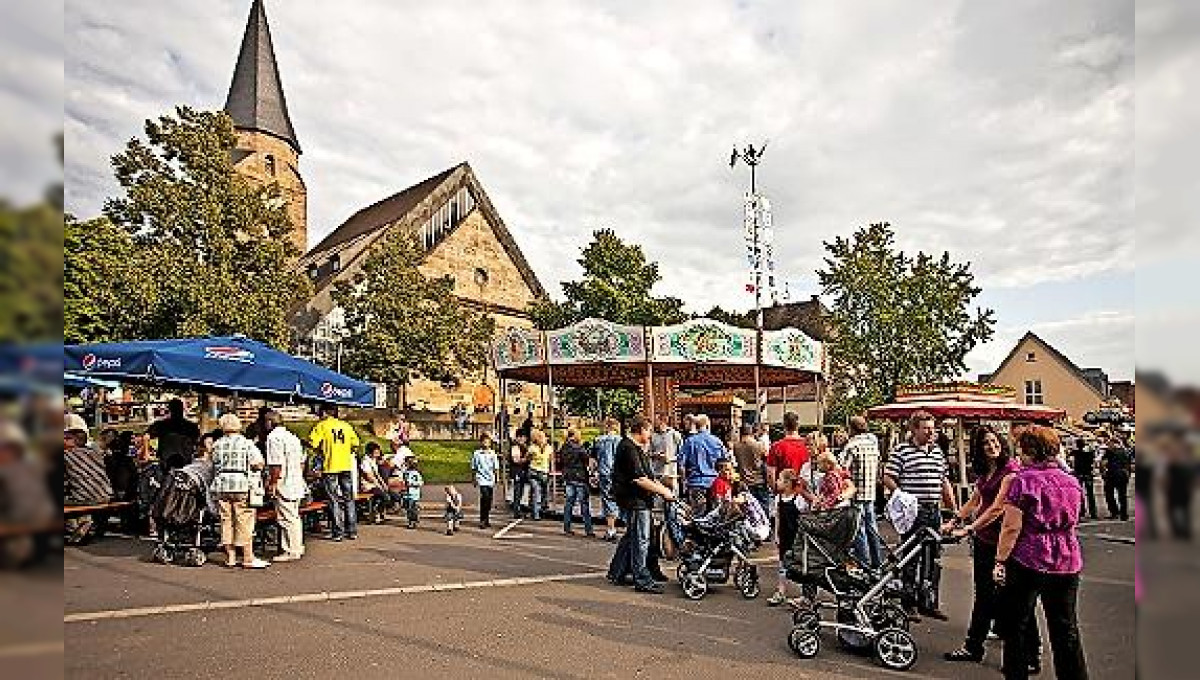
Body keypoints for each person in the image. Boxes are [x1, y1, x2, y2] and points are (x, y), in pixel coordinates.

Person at [995, 426, 1088, 680]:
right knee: (1065, 628)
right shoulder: (1071, 482)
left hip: (1030, 557)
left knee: (1017, 625)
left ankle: (1017, 674)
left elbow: (1011, 526)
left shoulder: (1023, 481)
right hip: (1067, 558)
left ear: (1029, 451)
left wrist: (1000, 560)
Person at [942, 425, 1037, 665]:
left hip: (1005, 543)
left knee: (1017, 600)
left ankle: (1031, 653)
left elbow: (998, 507)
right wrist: (955, 520)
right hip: (985, 541)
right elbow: (975, 500)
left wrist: (969, 528)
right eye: (986, 443)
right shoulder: (985, 471)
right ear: (979, 449)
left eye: (994, 442)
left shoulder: (1010, 471)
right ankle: (974, 646)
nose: (991, 446)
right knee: (984, 595)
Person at [883, 410, 959, 620]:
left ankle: (929, 601)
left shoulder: (937, 452)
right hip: (913, 510)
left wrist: (954, 508)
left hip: (933, 509)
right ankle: (909, 603)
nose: (930, 433)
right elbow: (888, 477)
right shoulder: (901, 451)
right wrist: (901, 496)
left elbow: (944, 482)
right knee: (911, 556)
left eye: (932, 429)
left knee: (933, 557)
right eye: (925, 429)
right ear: (914, 429)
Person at [606, 415, 676, 594]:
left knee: (633, 536)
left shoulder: (636, 448)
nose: (651, 434)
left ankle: (618, 572)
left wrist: (661, 487)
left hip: (640, 500)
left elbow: (648, 477)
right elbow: (639, 479)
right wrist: (664, 492)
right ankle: (642, 578)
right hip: (635, 500)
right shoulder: (629, 448)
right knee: (641, 540)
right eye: (649, 430)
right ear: (642, 430)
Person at [209, 413, 269, 569]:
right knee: (244, 520)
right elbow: (258, 463)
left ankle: (230, 557)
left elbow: (212, 464)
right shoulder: (246, 443)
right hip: (241, 484)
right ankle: (248, 557)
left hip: (221, 485)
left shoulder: (217, 444)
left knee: (226, 520)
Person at [307, 404, 361, 541]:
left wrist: (321, 449)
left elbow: (312, 443)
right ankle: (352, 530)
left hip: (330, 466)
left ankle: (338, 531)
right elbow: (355, 444)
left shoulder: (322, 426)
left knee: (334, 499)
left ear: (325, 412)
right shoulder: (346, 426)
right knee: (348, 499)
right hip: (345, 465)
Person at [63, 413, 115, 544]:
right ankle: (83, 525)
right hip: (106, 496)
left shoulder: (65, 456)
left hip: (85, 498)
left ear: (72, 440)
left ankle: (74, 528)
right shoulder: (95, 453)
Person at [264, 409, 307, 562]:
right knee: (294, 516)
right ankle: (296, 546)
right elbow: (302, 461)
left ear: (270, 422)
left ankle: (291, 550)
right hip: (296, 480)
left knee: (286, 518)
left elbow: (276, 464)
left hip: (285, 482)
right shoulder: (292, 437)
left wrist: (273, 482)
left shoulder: (273, 438)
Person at [841, 416, 882, 568]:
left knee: (859, 531)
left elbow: (843, 470)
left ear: (851, 428)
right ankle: (877, 563)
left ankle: (864, 565)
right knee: (872, 530)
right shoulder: (873, 445)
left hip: (855, 494)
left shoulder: (852, 446)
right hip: (870, 493)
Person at [767, 469, 803, 606]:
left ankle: (805, 594)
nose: (777, 482)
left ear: (787, 483)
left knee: (799, 563)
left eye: (780, 479)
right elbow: (777, 517)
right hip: (784, 536)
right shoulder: (778, 499)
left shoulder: (798, 499)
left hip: (796, 536)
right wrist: (776, 534)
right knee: (782, 563)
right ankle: (781, 590)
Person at [677, 414, 726, 515]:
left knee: (697, 516)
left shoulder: (690, 442)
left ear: (696, 426)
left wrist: (684, 482)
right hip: (715, 483)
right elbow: (726, 462)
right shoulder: (717, 442)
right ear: (708, 425)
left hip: (696, 484)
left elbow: (681, 464)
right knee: (715, 516)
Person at [146, 398, 200, 472]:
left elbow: (146, 437)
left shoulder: (162, 425)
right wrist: (147, 454)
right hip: (181, 465)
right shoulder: (191, 426)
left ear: (169, 409)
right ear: (182, 409)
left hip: (174, 464)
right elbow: (196, 443)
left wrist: (147, 453)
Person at [560, 429, 595, 537]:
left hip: (568, 477)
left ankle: (567, 528)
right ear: (575, 436)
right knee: (584, 504)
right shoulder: (579, 448)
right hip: (580, 478)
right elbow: (587, 461)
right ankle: (588, 530)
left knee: (569, 503)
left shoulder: (563, 447)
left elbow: (561, 461)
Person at [593, 419, 623, 541]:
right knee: (618, 500)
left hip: (604, 473)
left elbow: (593, 460)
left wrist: (593, 474)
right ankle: (614, 529)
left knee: (607, 500)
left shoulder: (598, 440)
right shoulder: (620, 441)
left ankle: (610, 529)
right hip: (617, 474)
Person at [766, 411, 810, 494]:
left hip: (784, 492)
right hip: (804, 492)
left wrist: (775, 490)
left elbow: (770, 474)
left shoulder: (776, 447)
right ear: (798, 425)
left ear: (784, 426)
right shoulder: (808, 446)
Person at [732, 424, 770, 514]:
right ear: (751, 432)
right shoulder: (758, 445)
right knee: (763, 507)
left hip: (745, 481)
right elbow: (766, 458)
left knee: (749, 508)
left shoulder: (736, 446)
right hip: (759, 480)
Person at [470, 434, 500, 529]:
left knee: (489, 500)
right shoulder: (477, 454)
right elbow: (474, 467)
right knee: (484, 497)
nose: (486, 443)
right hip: (481, 479)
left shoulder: (492, 454)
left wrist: (497, 477)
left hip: (490, 479)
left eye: (487, 442)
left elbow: (496, 467)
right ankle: (482, 519)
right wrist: (474, 479)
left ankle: (486, 518)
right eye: (484, 441)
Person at [1100, 437, 1131, 521]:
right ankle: (1124, 515)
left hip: (1112, 475)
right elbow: (1129, 464)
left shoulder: (1109, 452)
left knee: (1109, 494)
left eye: (1109, 443)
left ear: (1114, 443)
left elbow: (1103, 463)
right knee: (1122, 495)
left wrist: (1103, 473)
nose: (1108, 445)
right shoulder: (1125, 451)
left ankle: (1114, 512)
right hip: (1123, 474)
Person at [649, 413, 682, 493]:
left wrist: (670, 459)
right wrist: (656, 455)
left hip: (671, 474)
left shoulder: (675, 435)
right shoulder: (652, 436)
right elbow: (648, 453)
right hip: (657, 474)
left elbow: (682, 454)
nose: (654, 422)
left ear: (662, 421)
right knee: (657, 502)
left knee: (673, 501)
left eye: (656, 420)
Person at [359, 442, 389, 523]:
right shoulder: (365, 461)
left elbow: (377, 474)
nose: (378, 454)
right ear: (370, 452)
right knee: (383, 496)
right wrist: (379, 486)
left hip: (374, 484)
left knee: (390, 494)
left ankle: (379, 512)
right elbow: (370, 477)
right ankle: (376, 512)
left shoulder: (373, 460)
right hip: (367, 486)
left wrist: (383, 484)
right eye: (376, 452)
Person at [526, 429, 552, 521]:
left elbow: (527, 458)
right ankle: (537, 513)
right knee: (538, 492)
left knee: (539, 493)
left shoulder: (533, 448)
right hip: (539, 472)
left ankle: (538, 511)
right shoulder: (547, 448)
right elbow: (550, 460)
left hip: (536, 471)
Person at [1070, 438, 1098, 520]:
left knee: (1080, 494)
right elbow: (1094, 461)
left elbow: (1070, 458)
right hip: (1088, 474)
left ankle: (1081, 512)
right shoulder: (1090, 453)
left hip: (1078, 474)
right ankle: (1093, 513)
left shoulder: (1075, 453)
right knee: (1090, 494)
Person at [403, 457, 424, 529]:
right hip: (406, 493)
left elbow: (420, 483)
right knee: (406, 507)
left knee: (411, 508)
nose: (405, 464)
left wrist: (412, 484)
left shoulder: (416, 473)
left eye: (406, 463)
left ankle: (412, 521)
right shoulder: (405, 472)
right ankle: (411, 518)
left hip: (413, 494)